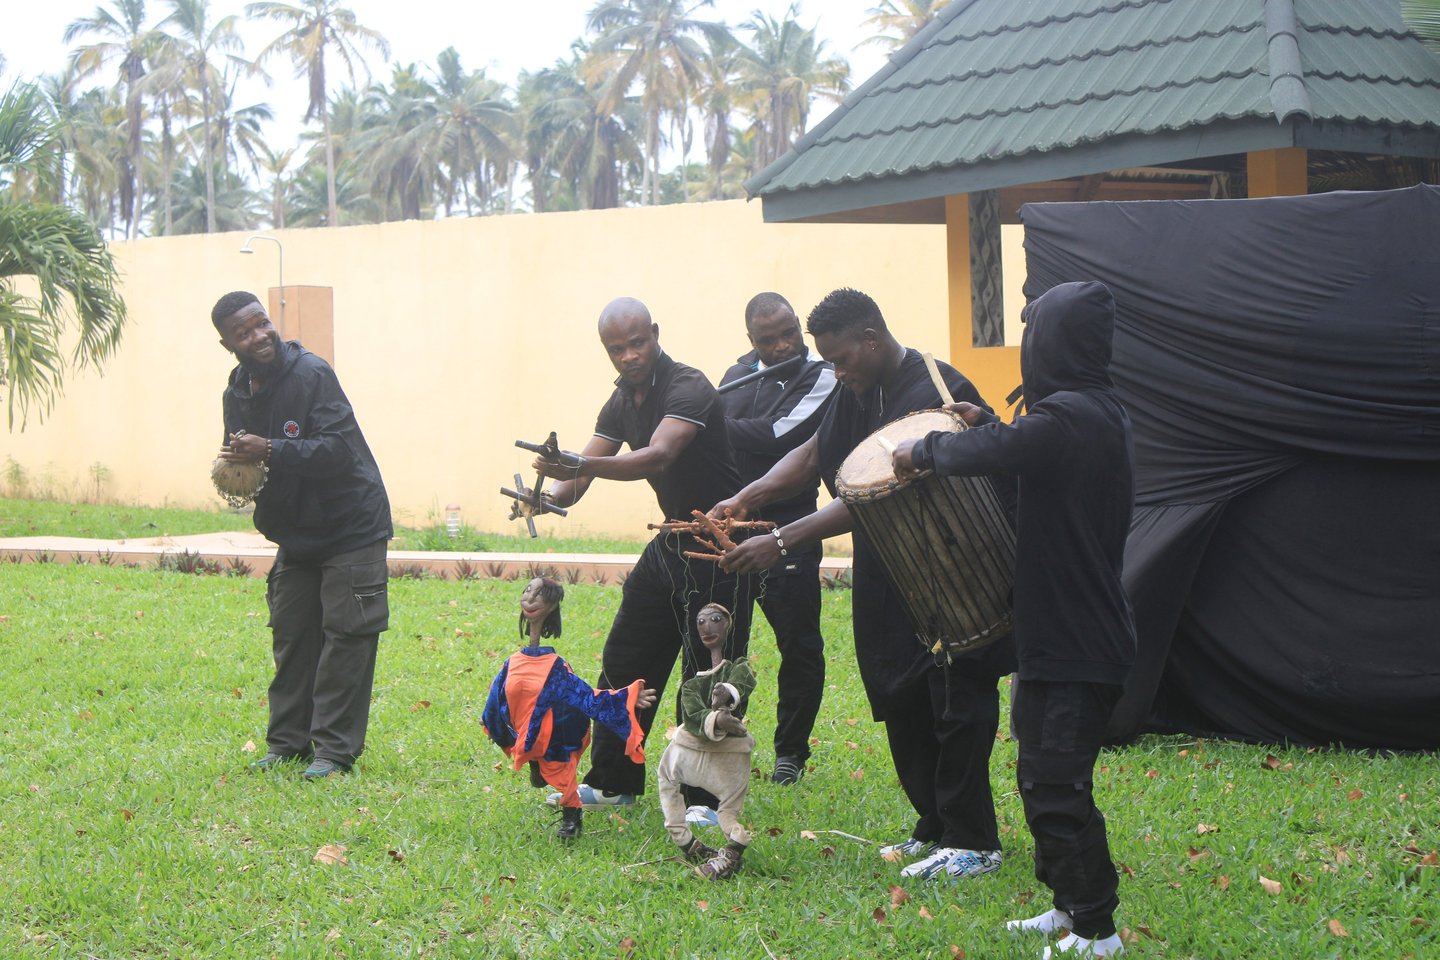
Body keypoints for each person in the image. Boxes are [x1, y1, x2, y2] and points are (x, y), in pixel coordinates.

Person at [717, 287, 1017, 882]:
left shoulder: (931, 389)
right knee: (898, 692)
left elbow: (874, 493)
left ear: (871, 339)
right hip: (888, 571)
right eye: (829, 360)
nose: (836, 371)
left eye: (841, 358)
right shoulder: (858, 388)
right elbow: (814, 453)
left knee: (954, 701)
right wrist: (749, 496)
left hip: (949, 570)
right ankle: (935, 826)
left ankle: (974, 840)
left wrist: (781, 540)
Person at [893, 281, 1135, 957]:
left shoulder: (1072, 417)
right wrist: (982, 420)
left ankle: (1097, 930)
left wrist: (925, 450)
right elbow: (1018, 443)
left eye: (1036, 334)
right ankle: (1067, 906)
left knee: (1057, 784)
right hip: (1059, 637)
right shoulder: (1089, 412)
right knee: (1039, 776)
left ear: (1053, 343)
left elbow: (1000, 450)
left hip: (1079, 641)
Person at [532, 297, 753, 807]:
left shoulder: (687, 385)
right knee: (626, 659)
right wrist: (545, 496)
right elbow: (579, 476)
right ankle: (613, 782)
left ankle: (705, 801)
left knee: (709, 674)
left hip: (718, 545)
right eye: (617, 349)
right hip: (671, 539)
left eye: (637, 343)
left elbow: (659, 455)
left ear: (654, 333)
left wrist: (576, 463)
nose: (629, 355)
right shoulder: (620, 401)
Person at [212, 291, 392, 780]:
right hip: (296, 532)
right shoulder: (236, 393)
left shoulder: (312, 374)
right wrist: (235, 466)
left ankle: (333, 752)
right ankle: (287, 744)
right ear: (229, 345)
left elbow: (338, 451)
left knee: (346, 638)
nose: (259, 336)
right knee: (292, 635)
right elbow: (245, 459)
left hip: (350, 523)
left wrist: (270, 449)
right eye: (244, 332)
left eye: (261, 323)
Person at [717, 292, 837, 785]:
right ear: (752, 340)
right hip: (731, 533)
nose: (784, 345)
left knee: (799, 646)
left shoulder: (822, 373)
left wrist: (710, 424)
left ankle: (790, 752)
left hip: (789, 530)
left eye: (790, 333)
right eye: (769, 340)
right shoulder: (736, 374)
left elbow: (782, 434)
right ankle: (720, 741)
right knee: (723, 645)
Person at [482, 577, 657, 841]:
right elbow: (498, 691)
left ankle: (571, 818)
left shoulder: (556, 667)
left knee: (561, 771)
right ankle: (535, 762)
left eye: (539, 594)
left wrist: (627, 698)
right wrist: (490, 718)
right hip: (521, 728)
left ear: (551, 605)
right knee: (526, 743)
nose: (530, 598)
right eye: (527, 590)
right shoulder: (513, 662)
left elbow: (586, 697)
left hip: (553, 734)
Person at [656, 602, 757, 880]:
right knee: (667, 777)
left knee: (728, 810)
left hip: (729, 754)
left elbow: (743, 681)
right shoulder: (692, 685)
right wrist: (717, 720)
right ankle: (688, 843)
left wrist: (727, 693)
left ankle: (731, 851)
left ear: (728, 625)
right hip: (691, 750)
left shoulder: (739, 668)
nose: (707, 627)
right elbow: (692, 714)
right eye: (701, 622)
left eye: (715, 619)